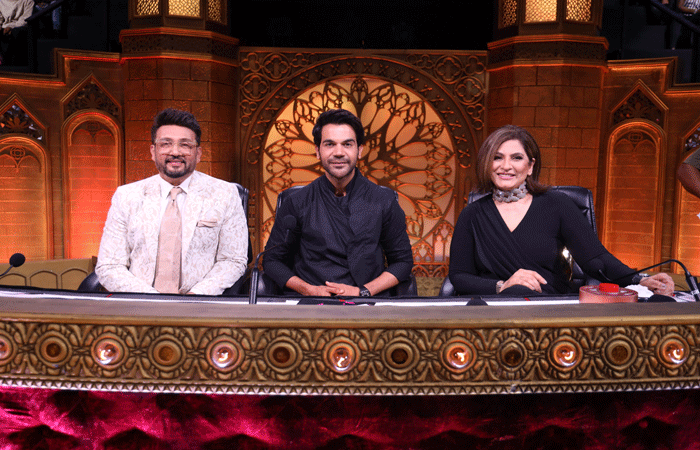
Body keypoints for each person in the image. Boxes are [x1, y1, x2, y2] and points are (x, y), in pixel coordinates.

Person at [449, 125, 674, 297]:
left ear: (530, 166)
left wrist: (639, 279)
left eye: (516, 158)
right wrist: (502, 286)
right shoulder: (471, 215)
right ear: (487, 164)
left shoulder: (557, 204)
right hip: (493, 306)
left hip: (547, 305)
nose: (506, 166)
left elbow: (596, 259)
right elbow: (459, 276)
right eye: (497, 157)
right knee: (515, 291)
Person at [262, 109, 413, 297]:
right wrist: (308, 290)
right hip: (310, 302)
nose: (339, 153)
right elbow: (272, 261)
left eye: (347, 144)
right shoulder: (297, 201)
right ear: (318, 151)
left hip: (366, 302)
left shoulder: (383, 201)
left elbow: (402, 262)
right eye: (330, 144)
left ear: (359, 150)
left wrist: (362, 291)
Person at [96, 109, 248, 295]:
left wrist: (195, 296)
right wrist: (151, 299)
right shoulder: (126, 196)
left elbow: (233, 260)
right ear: (153, 151)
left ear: (198, 153)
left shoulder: (225, 194)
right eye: (166, 144)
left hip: (200, 303)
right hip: (140, 303)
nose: (175, 152)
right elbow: (109, 265)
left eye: (185, 145)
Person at [0, 0, 33, 65]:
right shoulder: (1, 1)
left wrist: (11, 27)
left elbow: (25, 19)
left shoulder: (28, 1)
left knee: (16, 33)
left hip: (19, 28)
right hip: (4, 27)